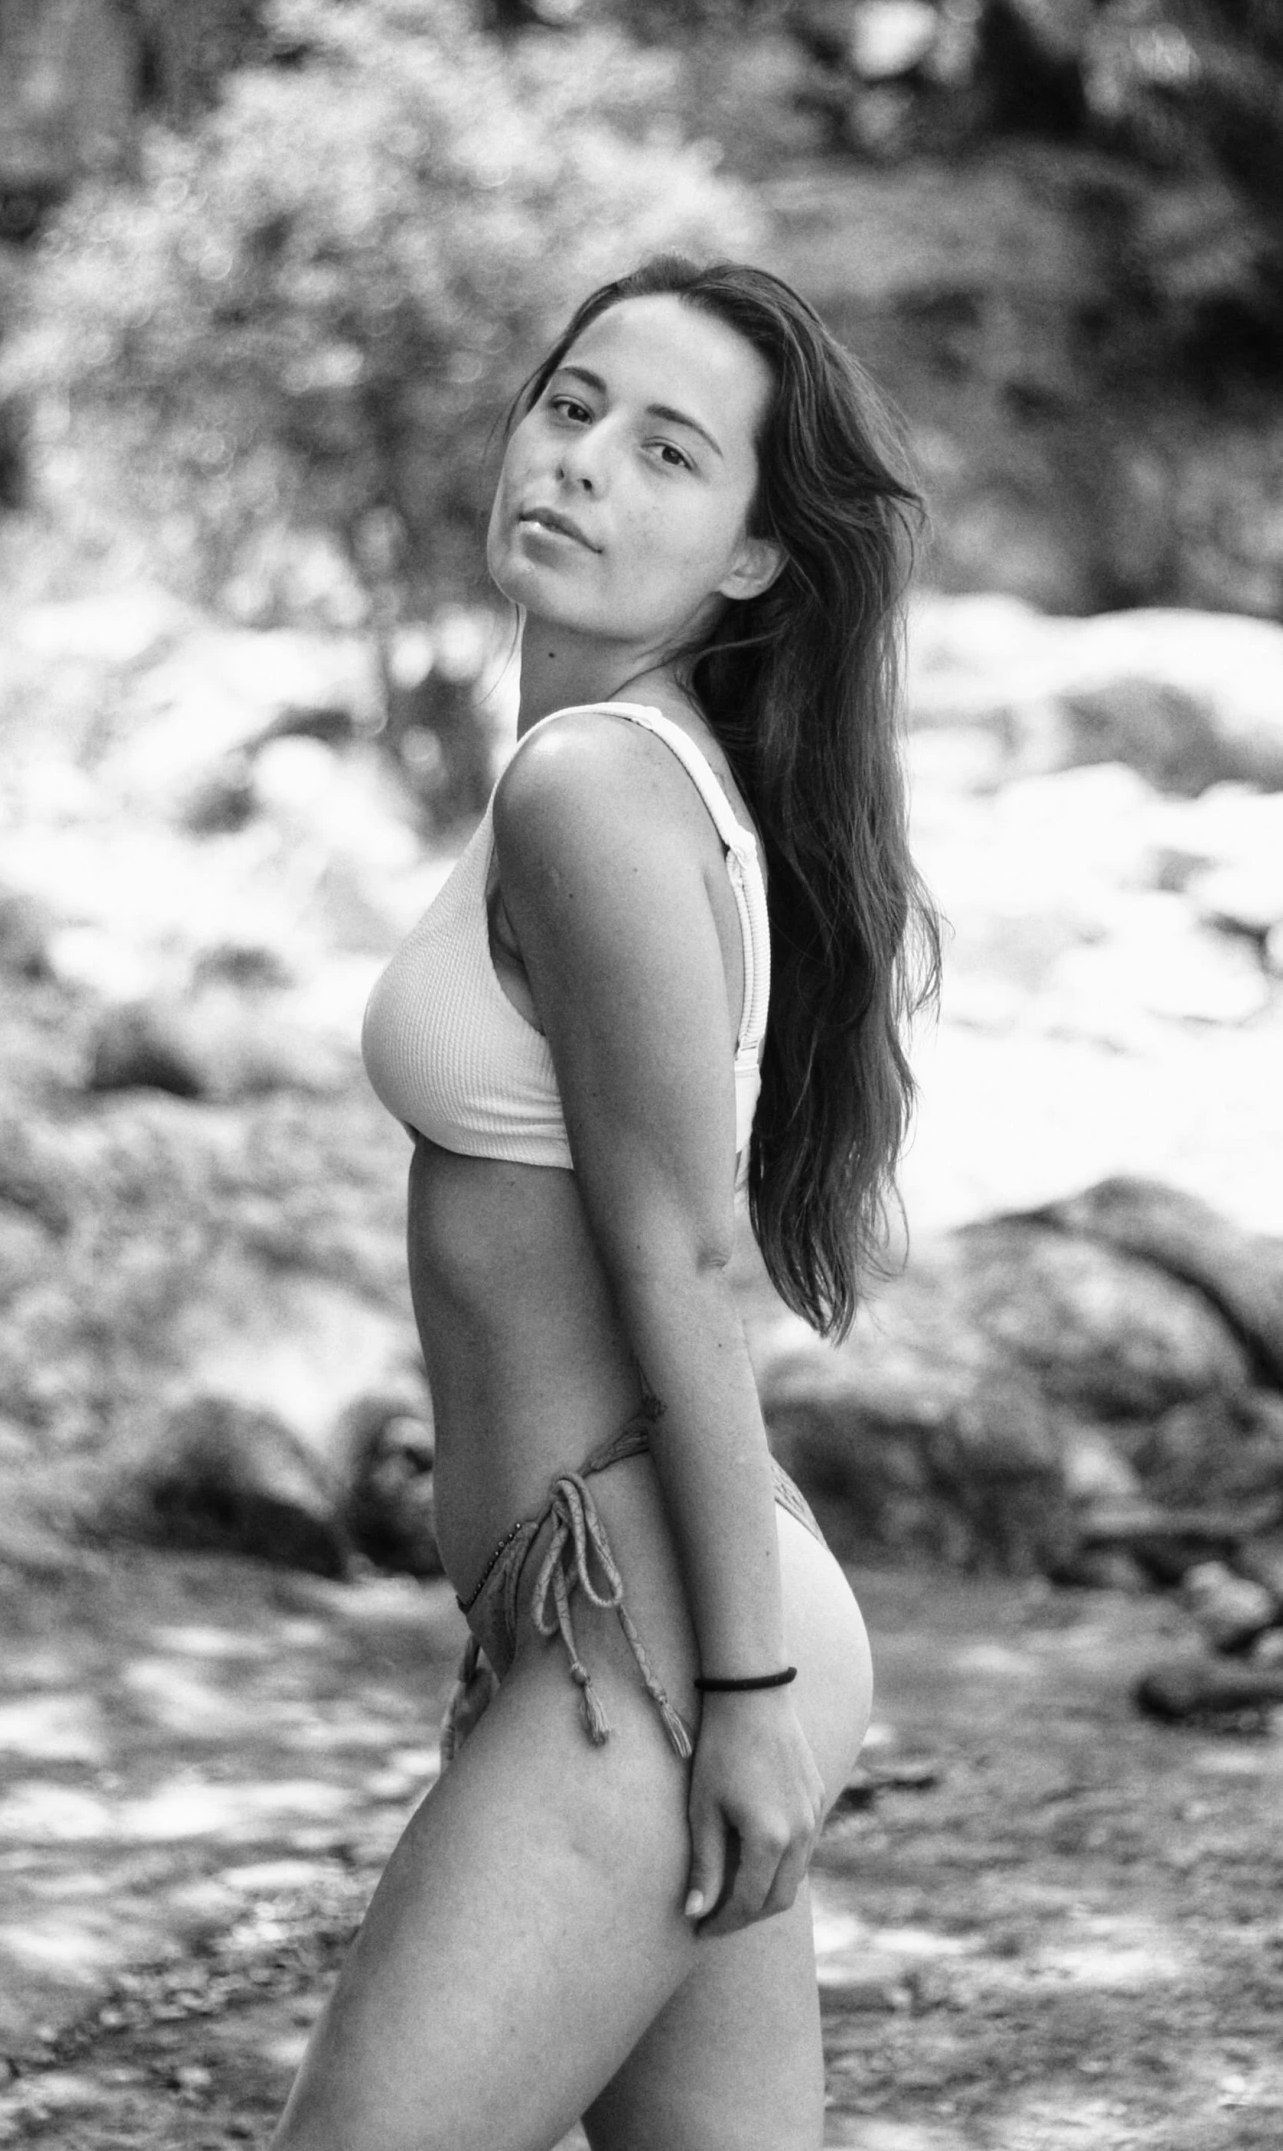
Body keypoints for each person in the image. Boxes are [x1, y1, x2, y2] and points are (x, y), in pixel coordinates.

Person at [270, 255, 940, 2151]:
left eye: (666, 450)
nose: (581, 465)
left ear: (750, 558)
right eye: (569, 407)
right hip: (626, 1605)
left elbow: (680, 1255)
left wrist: (740, 1691)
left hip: (653, 1622)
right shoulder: (641, 779)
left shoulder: (593, 784)